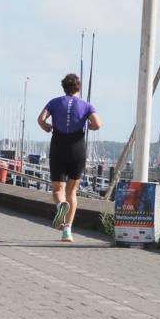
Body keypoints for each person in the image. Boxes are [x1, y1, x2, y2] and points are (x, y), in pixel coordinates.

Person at [37, 73, 101, 243]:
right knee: (72, 191)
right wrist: (90, 127)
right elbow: (97, 124)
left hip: (59, 145)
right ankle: (67, 232)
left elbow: (40, 119)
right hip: (77, 147)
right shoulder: (87, 105)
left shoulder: (54, 102)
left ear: (63, 87)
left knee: (58, 189)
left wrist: (47, 127)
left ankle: (60, 206)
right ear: (78, 88)